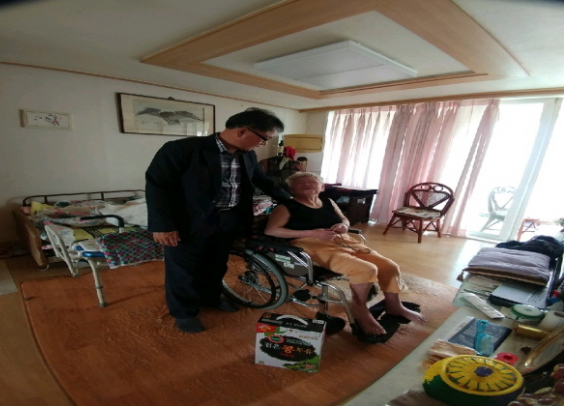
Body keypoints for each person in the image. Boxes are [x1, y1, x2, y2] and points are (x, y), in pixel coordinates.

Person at [146, 108, 292, 333]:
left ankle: (211, 298)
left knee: (216, 264)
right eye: (264, 138)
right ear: (242, 131)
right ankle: (184, 312)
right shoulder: (182, 149)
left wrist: (292, 202)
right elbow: (158, 187)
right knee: (184, 270)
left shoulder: (247, 155)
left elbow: (262, 181)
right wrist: (163, 226)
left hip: (228, 220)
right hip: (189, 221)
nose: (263, 144)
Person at [264, 172, 427, 340]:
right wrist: (312, 233)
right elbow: (271, 230)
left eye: (312, 181)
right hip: (312, 245)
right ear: (292, 189)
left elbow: (344, 220)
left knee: (389, 266)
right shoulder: (286, 207)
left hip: (344, 241)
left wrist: (343, 226)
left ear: (321, 187)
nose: (307, 184)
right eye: (300, 182)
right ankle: (359, 309)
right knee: (365, 269)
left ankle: (394, 305)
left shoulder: (328, 201)